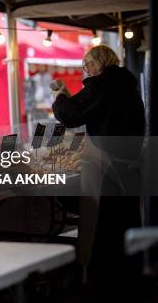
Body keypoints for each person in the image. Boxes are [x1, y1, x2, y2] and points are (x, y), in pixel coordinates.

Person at [52, 44, 145, 301]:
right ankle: (130, 276)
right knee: (126, 220)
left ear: (99, 63)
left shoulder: (100, 85)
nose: (86, 70)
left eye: (88, 65)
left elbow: (70, 115)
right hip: (130, 165)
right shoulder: (128, 85)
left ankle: (101, 284)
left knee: (103, 225)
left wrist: (60, 95)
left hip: (106, 167)